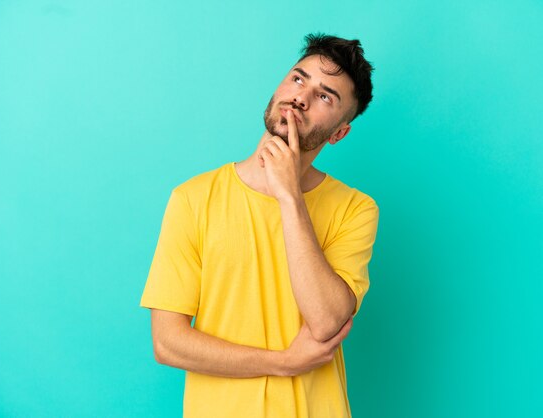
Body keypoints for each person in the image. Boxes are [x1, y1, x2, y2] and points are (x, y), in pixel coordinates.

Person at [139, 33, 379, 418]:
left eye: (325, 96)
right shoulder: (193, 198)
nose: (301, 97)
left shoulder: (355, 209)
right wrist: (284, 362)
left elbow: (326, 321)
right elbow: (168, 344)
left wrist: (289, 196)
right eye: (298, 79)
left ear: (338, 133)